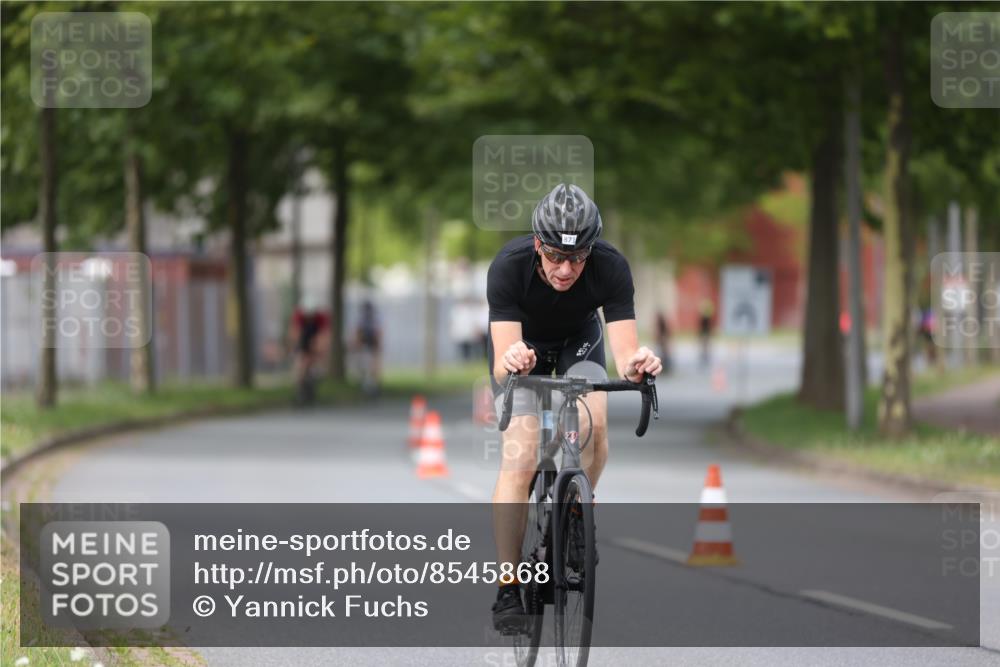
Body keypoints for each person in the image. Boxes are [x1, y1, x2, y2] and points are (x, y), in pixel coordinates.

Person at [487, 183, 662, 630]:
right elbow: (502, 362)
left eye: (578, 258)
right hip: (525, 353)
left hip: (578, 343)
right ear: (537, 245)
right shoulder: (508, 267)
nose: (566, 270)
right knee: (521, 454)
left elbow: (625, 358)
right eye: (555, 257)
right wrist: (513, 360)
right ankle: (509, 587)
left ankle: (574, 515)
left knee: (595, 423)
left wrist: (639, 363)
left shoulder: (611, 266)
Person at [288, 294, 329, 405]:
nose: (309, 317)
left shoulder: (321, 317)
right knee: (300, 365)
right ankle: (299, 391)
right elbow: (295, 333)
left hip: (316, 338)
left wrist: (319, 351)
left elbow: (323, 335)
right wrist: (296, 349)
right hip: (303, 339)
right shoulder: (298, 316)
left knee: (318, 365)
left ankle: (313, 382)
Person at [351, 300, 383, 397]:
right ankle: (366, 381)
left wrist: (378, 346)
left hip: (371, 343)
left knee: (373, 365)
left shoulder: (374, 319)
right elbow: (358, 333)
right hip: (364, 343)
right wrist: (357, 344)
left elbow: (378, 333)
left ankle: (373, 384)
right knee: (363, 364)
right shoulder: (361, 319)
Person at [698, 297, 715, 368]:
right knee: (705, 345)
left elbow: (705, 326)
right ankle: (705, 355)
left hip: (705, 333)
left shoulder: (706, 318)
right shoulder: (705, 318)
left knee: (706, 345)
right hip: (705, 333)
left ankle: (705, 355)